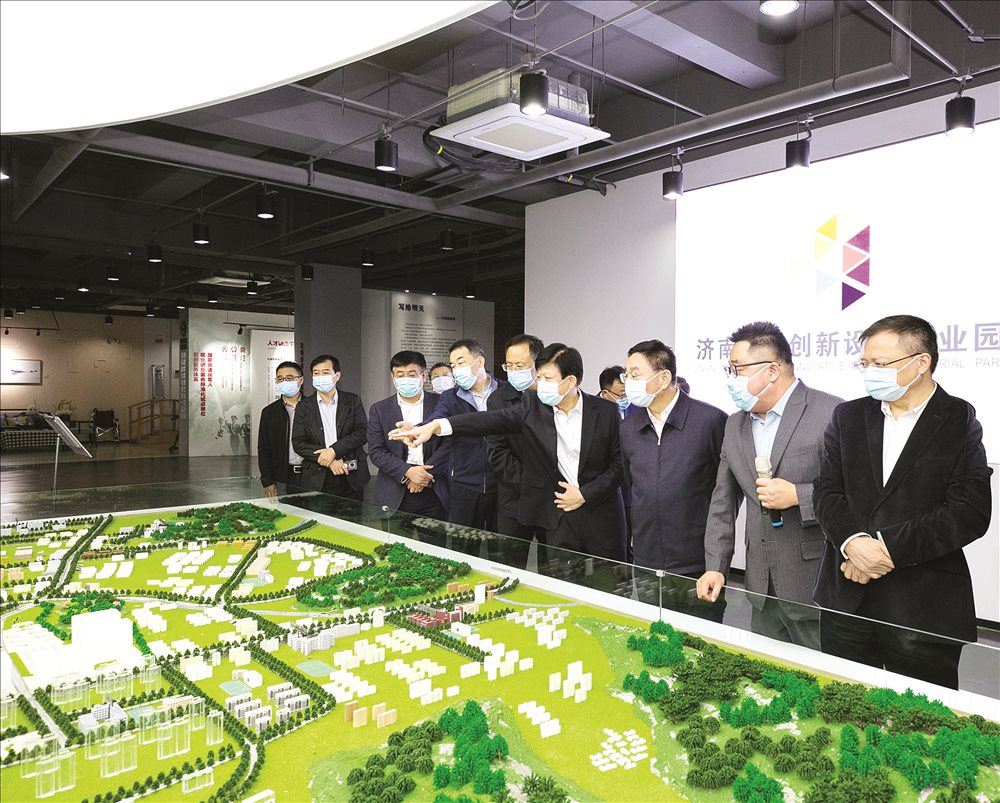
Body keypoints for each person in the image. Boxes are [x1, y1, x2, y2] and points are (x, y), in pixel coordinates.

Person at [812, 315, 992, 689]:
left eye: (880, 363)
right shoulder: (848, 415)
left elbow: (968, 511)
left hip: (922, 605)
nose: (869, 372)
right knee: (842, 704)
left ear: (921, 362)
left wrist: (885, 550)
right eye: (865, 363)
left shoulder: (958, 418)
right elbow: (827, 491)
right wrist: (852, 543)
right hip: (846, 596)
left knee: (921, 715)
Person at [392, 343, 626, 585]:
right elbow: (487, 420)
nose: (541, 384)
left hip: (601, 515)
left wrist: (584, 495)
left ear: (570, 381)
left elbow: (619, 465)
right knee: (563, 585)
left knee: (609, 584)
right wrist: (436, 426)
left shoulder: (607, 411)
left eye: (547, 378)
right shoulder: (534, 406)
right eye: (539, 377)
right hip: (559, 516)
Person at [696, 321, 841, 650]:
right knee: (767, 672)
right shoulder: (735, 424)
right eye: (729, 370)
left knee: (820, 676)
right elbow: (722, 502)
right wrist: (716, 567)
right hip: (760, 585)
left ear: (773, 370)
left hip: (814, 584)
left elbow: (854, 494)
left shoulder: (831, 412)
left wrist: (798, 496)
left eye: (738, 369)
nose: (732, 379)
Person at [620, 340, 727, 621]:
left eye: (635, 374)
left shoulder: (710, 421)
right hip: (646, 561)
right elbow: (631, 482)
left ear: (664, 377)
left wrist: (716, 560)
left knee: (701, 640)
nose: (628, 382)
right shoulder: (629, 428)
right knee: (655, 636)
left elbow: (725, 493)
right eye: (626, 375)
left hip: (697, 563)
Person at [425, 339, 507, 553]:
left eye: (461, 363)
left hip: (503, 483)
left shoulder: (506, 391)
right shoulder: (450, 396)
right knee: (463, 548)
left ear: (479, 362)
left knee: (502, 549)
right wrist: (418, 429)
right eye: (453, 365)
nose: (456, 370)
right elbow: (436, 419)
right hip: (464, 484)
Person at [368, 350, 450, 545]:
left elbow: (449, 446)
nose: (406, 379)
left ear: (423, 375)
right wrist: (408, 472)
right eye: (400, 375)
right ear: (393, 377)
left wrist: (424, 476)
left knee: (435, 552)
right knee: (397, 550)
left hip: (434, 490)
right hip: (395, 491)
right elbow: (376, 451)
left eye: (412, 374)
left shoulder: (441, 404)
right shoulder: (379, 409)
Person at [490, 333, 547, 570]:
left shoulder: (554, 395)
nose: (513, 371)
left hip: (552, 501)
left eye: (520, 366)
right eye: (509, 366)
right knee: (509, 566)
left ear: (538, 364)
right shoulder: (498, 400)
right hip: (514, 499)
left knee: (554, 567)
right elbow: (497, 452)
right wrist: (528, 483)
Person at [291, 354, 371, 504]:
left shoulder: (352, 401)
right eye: (316, 373)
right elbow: (298, 443)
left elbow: (362, 432)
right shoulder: (304, 406)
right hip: (317, 478)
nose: (320, 377)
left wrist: (334, 451)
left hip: (350, 476)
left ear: (337, 376)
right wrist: (330, 460)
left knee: (351, 518)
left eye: (326, 372)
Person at [257, 360, 306, 500]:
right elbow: (264, 449)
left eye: (290, 378)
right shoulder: (269, 412)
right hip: (283, 476)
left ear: (300, 380)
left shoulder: (313, 407)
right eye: (280, 379)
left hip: (311, 475)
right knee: (285, 511)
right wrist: (267, 480)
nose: (284, 382)